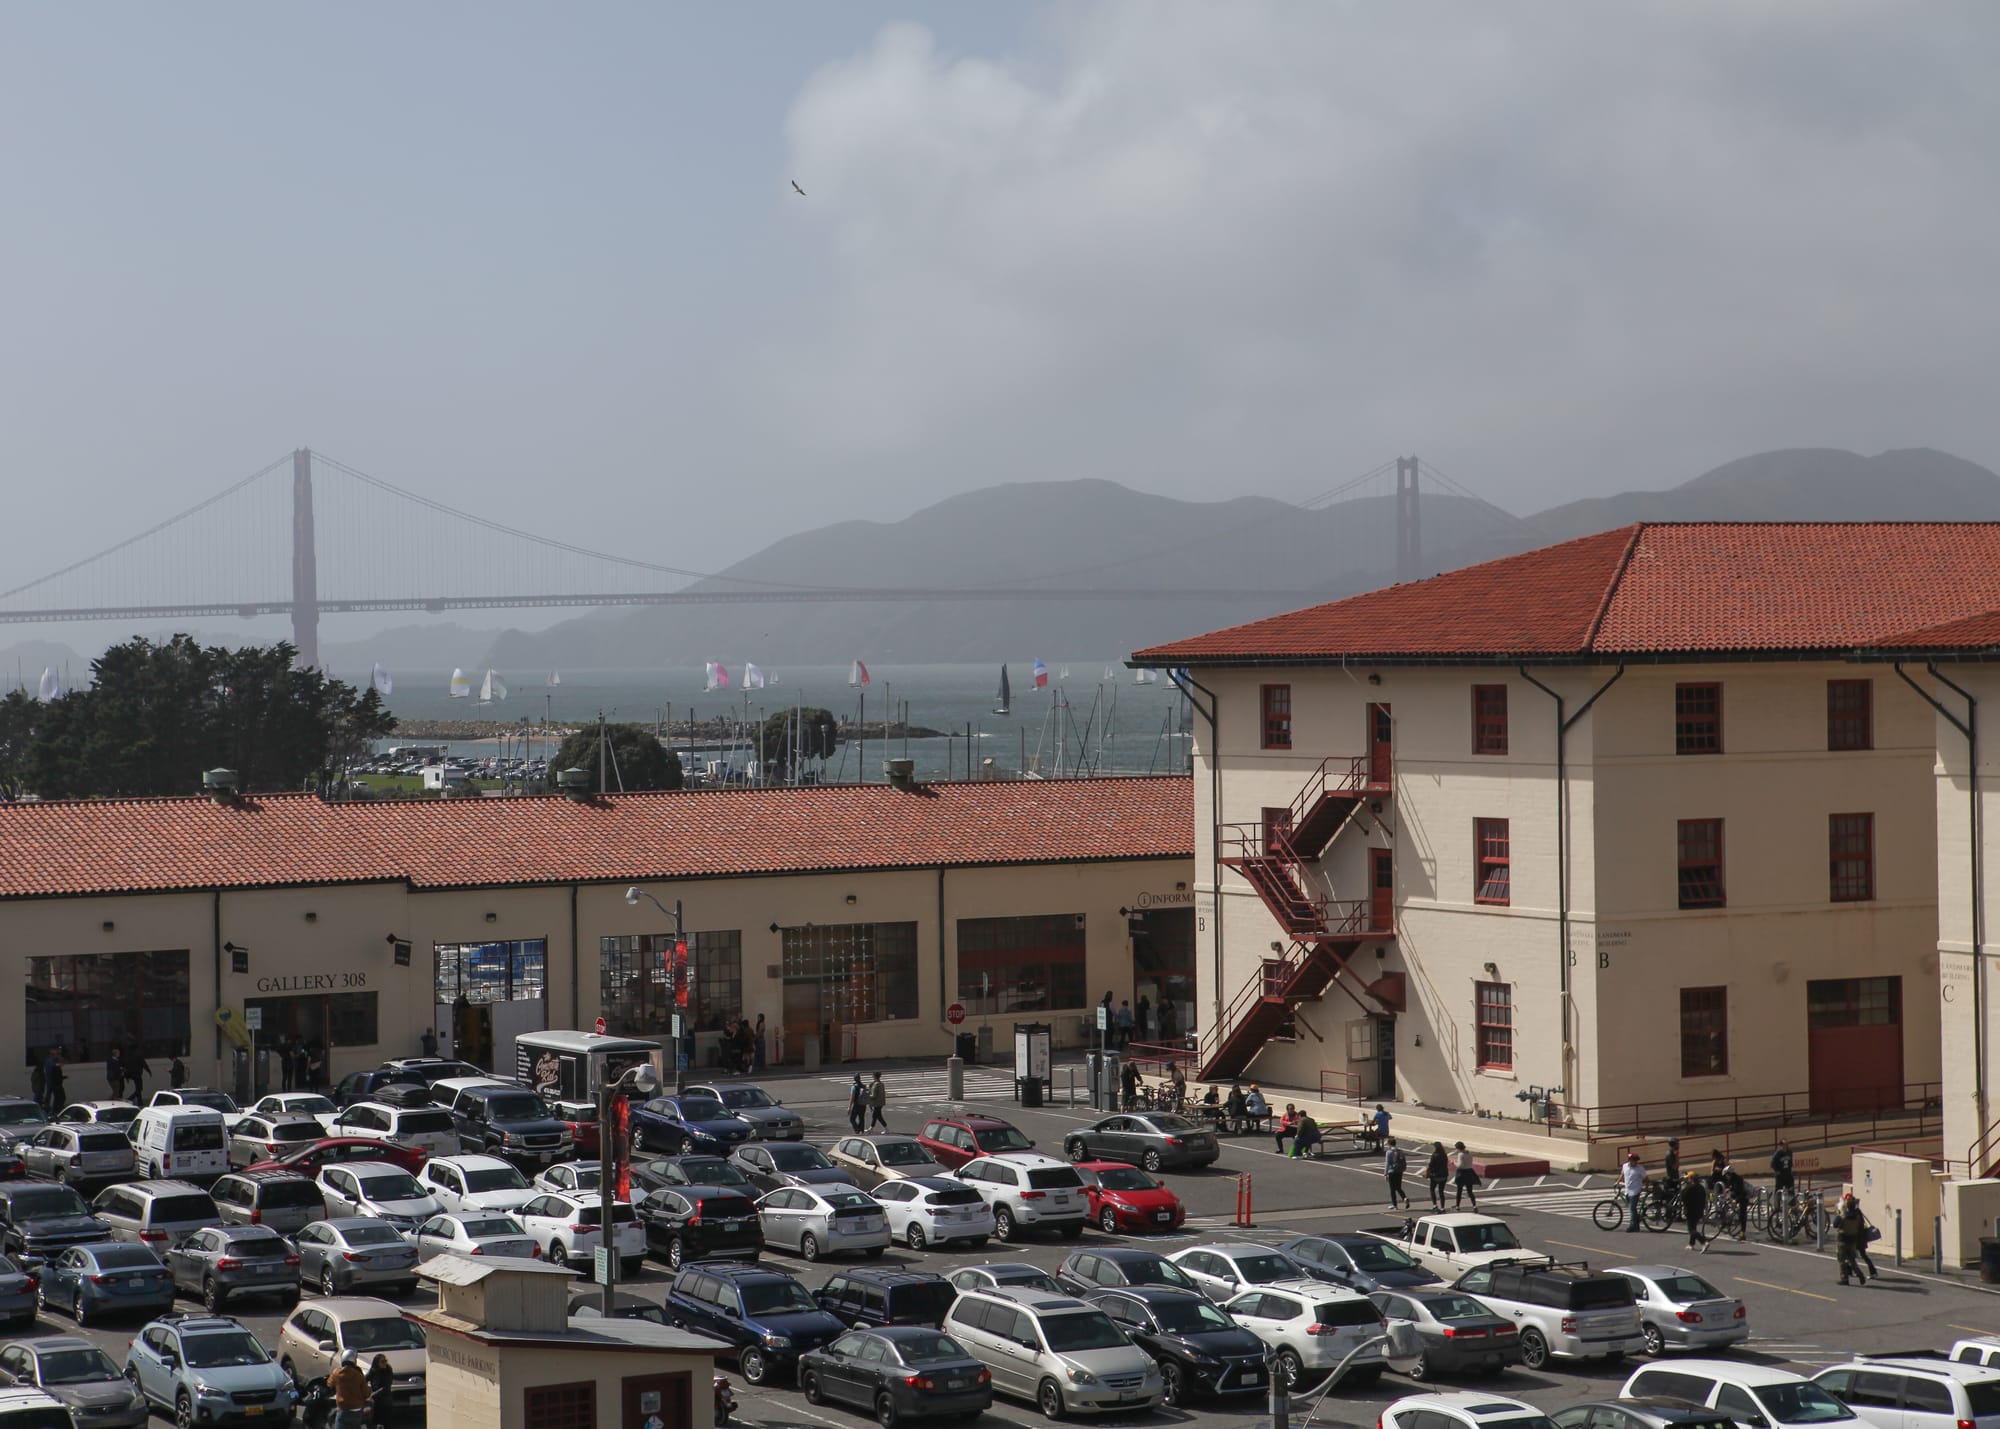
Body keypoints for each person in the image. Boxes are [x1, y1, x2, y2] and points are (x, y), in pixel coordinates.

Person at [329, 1349, 370, 1429]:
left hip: (343, 1410)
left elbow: (329, 1384)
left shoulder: (336, 1373)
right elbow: (366, 1393)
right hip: (356, 1411)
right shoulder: (358, 1375)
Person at [1835, 1193, 1868, 1285]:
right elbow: (1860, 1227)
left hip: (1842, 1240)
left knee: (1842, 1260)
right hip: (1853, 1240)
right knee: (1852, 1260)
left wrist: (1839, 1212)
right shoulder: (1857, 1217)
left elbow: (1835, 1224)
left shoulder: (1843, 1216)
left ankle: (1844, 1278)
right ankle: (1860, 1274)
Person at [1847, 1194, 1879, 1281]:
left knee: (1851, 1254)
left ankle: (1851, 1271)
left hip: (1856, 1238)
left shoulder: (1852, 1214)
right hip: (1861, 1237)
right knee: (1861, 1254)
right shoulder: (1858, 1212)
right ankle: (1872, 1271)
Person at [1716, 1161, 1750, 1241]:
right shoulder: (1731, 1179)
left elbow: (1741, 1192)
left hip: (1743, 1197)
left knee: (1742, 1214)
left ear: (1729, 1174)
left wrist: (1736, 1200)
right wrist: (1729, 1189)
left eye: (1726, 1175)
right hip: (1736, 1195)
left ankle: (1743, 1233)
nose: (1726, 1177)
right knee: (1725, 1205)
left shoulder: (1738, 1180)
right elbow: (1732, 1187)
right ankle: (1725, 1222)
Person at [1681, 1170, 1710, 1252]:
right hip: (1699, 1210)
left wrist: (1683, 1188)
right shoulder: (1701, 1187)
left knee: (1691, 1229)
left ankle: (1703, 1241)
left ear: (1691, 1179)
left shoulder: (1689, 1188)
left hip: (1690, 1210)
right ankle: (1691, 1244)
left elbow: (1683, 1197)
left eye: (1688, 1178)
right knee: (1693, 1226)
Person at [1621, 1151, 1647, 1232]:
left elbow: (1646, 1178)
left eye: (1635, 1160)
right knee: (1633, 1208)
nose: (1635, 1162)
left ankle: (1632, 1226)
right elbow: (1622, 1174)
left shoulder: (1640, 1168)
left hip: (1635, 1191)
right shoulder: (1625, 1166)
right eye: (1633, 1160)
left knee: (1632, 1208)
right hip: (1627, 1190)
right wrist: (1617, 1182)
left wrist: (1645, 1187)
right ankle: (1636, 1224)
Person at [367, 1353, 394, 1427]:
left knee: (386, 1422)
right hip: (376, 1401)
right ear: (377, 1363)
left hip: (385, 1400)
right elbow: (364, 1379)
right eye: (382, 1361)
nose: (385, 1363)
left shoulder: (388, 1370)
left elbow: (386, 1387)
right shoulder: (373, 1370)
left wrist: (372, 1396)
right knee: (374, 1422)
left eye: (385, 1361)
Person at [1384, 1137, 1411, 1208]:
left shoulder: (1389, 1152)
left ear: (1389, 1144)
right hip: (1399, 1171)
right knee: (1398, 1187)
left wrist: (1385, 1173)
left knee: (1392, 1189)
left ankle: (1394, 1204)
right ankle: (1404, 1198)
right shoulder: (1400, 1151)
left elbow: (1387, 1163)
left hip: (1392, 1171)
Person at [1452, 1141, 1479, 1209]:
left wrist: (1454, 1163)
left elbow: (1460, 1165)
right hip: (1469, 1172)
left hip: (1462, 1173)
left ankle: (1457, 1205)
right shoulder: (1469, 1153)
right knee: (1470, 1191)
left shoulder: (1460, 1154)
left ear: (1458, 1148)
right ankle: (1474, 1205)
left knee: (1459, 1190)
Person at [1770, 1139, 1795, 1210]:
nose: (1786, 1146)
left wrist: (1790, 1170)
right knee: (1778, 1190)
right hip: (1780, 1175)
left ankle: (1792, 1205)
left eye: (1787, 1144)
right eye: (1784, 1144)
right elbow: (1772, 1163)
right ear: (1781, 1145)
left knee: (1791, 1189)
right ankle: (1777, 1206)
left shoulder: (1789, 1152)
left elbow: (1790, 1162)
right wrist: (1777, 1171)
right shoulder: (1778, 1153)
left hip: (1788, 1174)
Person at [1425, 1141, 1450, 1210]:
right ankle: (1442, 1207)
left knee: (1432, 1189)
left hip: (1435, 1176)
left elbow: (1431, 1165)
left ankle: (1435, 1205)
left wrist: (1428, 1172)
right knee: (1441, 1191)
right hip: (1444, 1175)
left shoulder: (1434, 1155)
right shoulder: (1444, 1155)